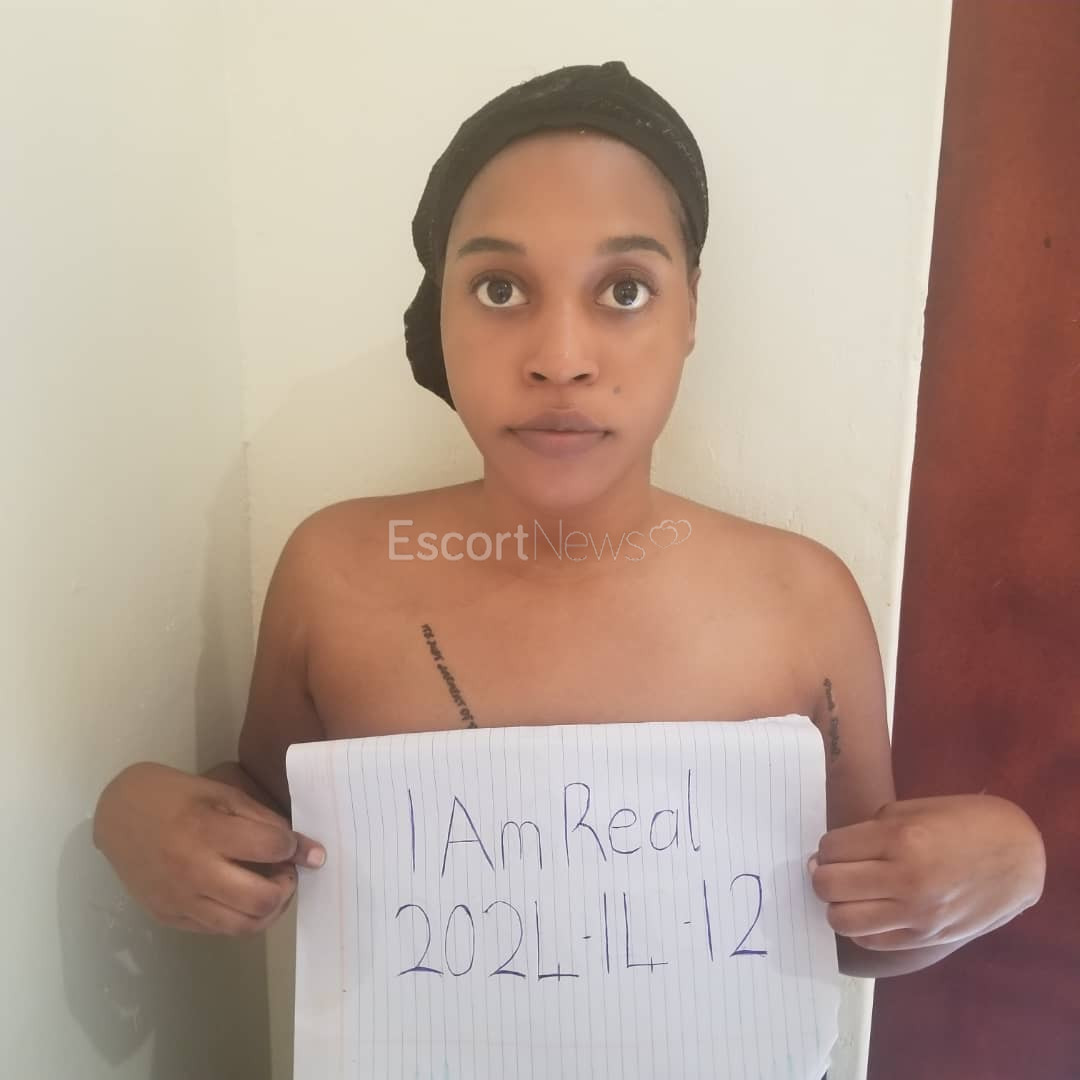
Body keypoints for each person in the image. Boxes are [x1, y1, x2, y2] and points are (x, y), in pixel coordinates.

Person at [93, 60, 1044, 978]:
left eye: (624, 290)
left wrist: (1005, 866)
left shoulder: (803, 604)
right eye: (500, 289)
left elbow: (857, 930)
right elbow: (265, 821)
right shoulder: (333, 574)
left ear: (691, 310)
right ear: (440, 311)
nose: (560, 358)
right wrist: (144, 819)